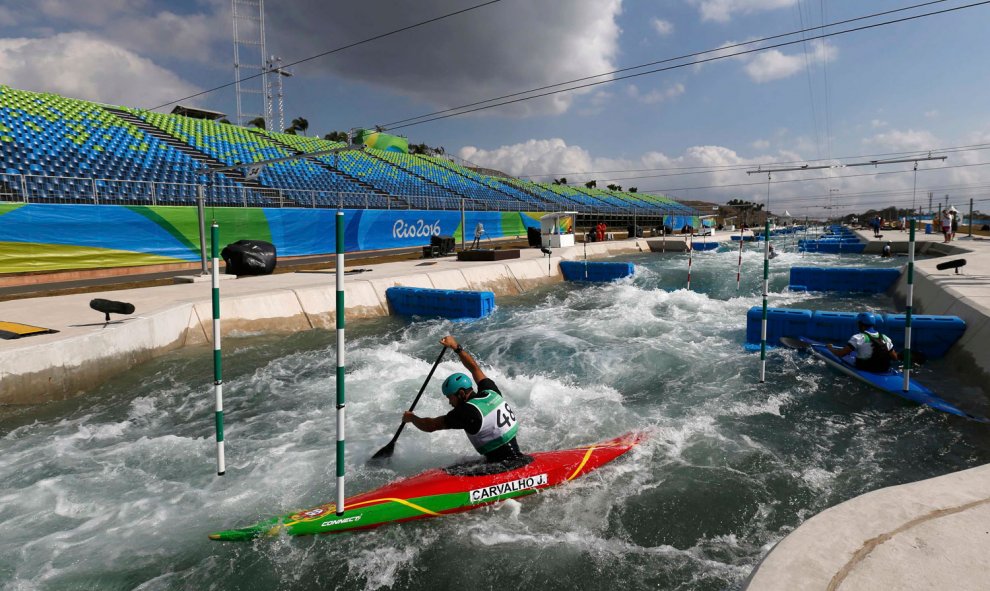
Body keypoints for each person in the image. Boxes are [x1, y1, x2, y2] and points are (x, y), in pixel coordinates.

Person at [402, 335, 524, 463]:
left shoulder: (467, 412)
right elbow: (474, 368)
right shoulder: (490, 391)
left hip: (503, 465)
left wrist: (412, 418)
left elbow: (431, 425)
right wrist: (456, 348)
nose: (450, 402)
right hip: (516, 455)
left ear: (461, 393)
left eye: (450, 397)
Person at [827, 312, 899, 373]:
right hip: (884, 369)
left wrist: (830, 349)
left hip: (865, 368)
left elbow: (841, 354)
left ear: (860, 324)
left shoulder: (858, 337)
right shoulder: (885, 338)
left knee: (849, 357)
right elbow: (895, 358)